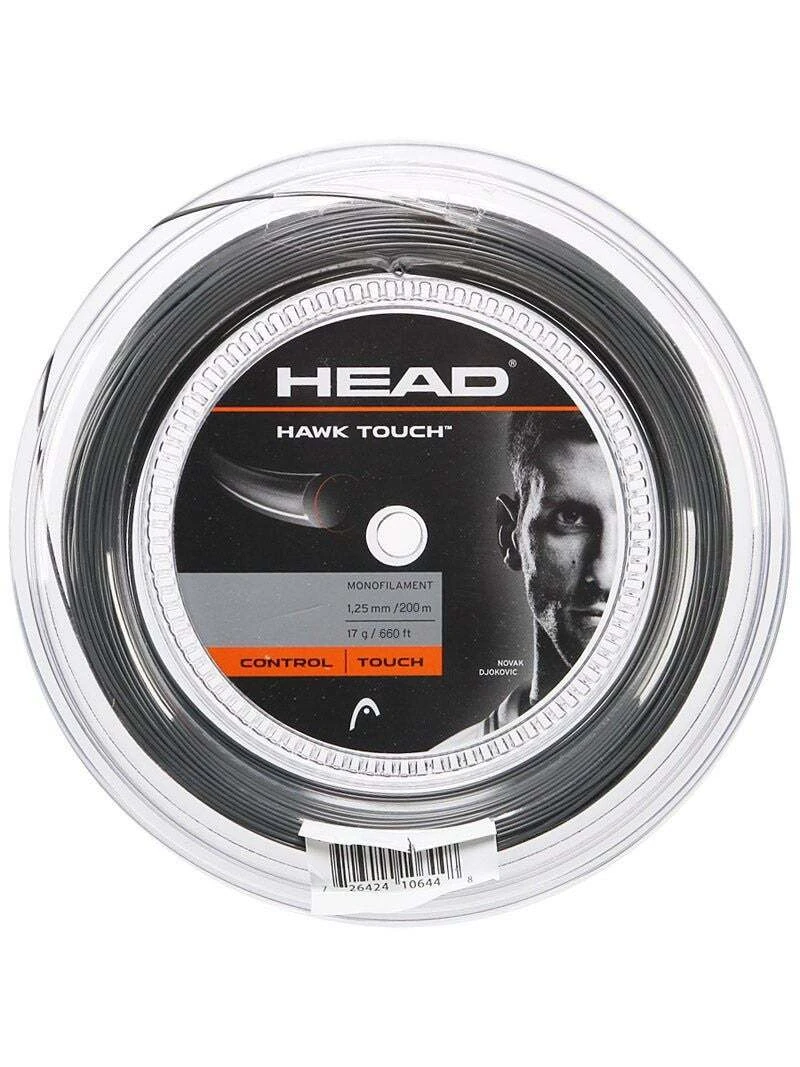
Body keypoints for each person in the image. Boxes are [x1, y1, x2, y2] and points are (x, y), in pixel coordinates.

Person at [435, 410, 618, 751]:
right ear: (510, 535)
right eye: (570, 518)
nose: (604, 574)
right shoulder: (439, 773)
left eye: (635, 520)